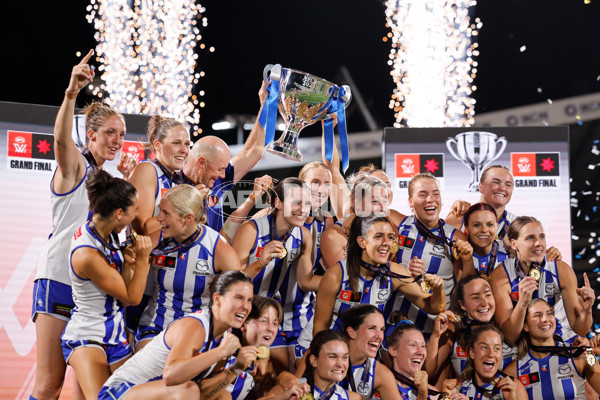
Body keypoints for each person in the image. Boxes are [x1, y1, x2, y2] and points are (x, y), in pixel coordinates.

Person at [31, 50, 135, 400]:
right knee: (48, 384)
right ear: (90, 135)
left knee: (87, 388)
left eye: (121, 134)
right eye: (109, 133)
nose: (116, 141)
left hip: (93, 292)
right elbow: (60, 141)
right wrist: (71, 93)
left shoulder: (116, 179)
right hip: (60, 278)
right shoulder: (76, 167)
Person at [61, 169, 153, 400]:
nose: (138, 216)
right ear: (119, 213)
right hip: (88, 335)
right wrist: (143, 260)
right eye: (135, 211)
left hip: (114, 334)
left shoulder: (107, 230)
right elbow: (130, 298)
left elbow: (119, 285)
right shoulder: (87, 255)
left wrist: (129, 264)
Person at [99, 271, 254, 400]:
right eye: (238, 298)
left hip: (153, 393)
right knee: (188, 390)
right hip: (119, 392)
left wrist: (234, 370)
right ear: (217, 299)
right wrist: (220, 352)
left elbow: (205, 393)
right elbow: (171, 376)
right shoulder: (195, 326)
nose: (245, 306)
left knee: (222, 396)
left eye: (249, 300)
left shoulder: (224, 335)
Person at [134, 184, 241, 351]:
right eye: (159, 210)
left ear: (188, 218)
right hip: (156, 328)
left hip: (198, 333)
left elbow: (239, 297)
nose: (159, 218)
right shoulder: (155, 241)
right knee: (154, 366)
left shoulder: (218, 249)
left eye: (166, 213)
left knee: (182, 371)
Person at [232, 178, 319, 370]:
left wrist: (343, 278)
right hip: (241, 316)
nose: (303, 210)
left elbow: (306, 281)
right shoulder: (251, 230)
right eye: (296, 202)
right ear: (277, 203)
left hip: (269, 318)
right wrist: (260, 262)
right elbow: (232, 285)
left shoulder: (303, 236)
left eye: (307, 203)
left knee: (280, 373)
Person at [124, 114, 195, 335]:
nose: (184, 150)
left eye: (187, 144)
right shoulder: (148, 170)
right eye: (176, 143)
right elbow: (142, 230)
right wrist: (181, 206)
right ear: (157, 145)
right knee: (131, 352)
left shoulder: (177, 179)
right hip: (141, 278)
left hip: (164, 280)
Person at [388, 173, 473, 336]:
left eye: (436, 193)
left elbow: (464, 284)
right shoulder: (397, 222)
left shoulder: (454, 237)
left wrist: (468, 260)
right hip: (394, 325)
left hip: (434, 329)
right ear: (410, 201)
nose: (430, 199)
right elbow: (360, 212)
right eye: (423, 194)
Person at [490, 216, 594, 345]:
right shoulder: (501, 275)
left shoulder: (561, 269)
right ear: (514, 244)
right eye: (530, 238)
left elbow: (580, 329)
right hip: (521, 346)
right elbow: (510, 337)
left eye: (541, 237)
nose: (538, 243)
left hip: (559, 340)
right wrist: (522, 303)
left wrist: (587, 310)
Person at [181, 82, 268, 233]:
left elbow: (254, 152)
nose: (224, 174)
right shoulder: (172, 183)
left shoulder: (218, 178)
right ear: (201, 162)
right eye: (220, 169)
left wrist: (265, 105)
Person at [425, 275, 517, 385]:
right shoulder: (453, 330)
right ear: (462, 305)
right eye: (475, 298)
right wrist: (436, 335)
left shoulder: (506, 324)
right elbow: (428, 373)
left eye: (488, 295)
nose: (484, 303)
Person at [503, 298, 600, 399]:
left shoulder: (577, 353)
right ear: (525, 326)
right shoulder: (513, 371)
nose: (545, 319)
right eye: (537, 315)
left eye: (549, 313)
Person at [197, 296, 282, 400]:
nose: (271, 329)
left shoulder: (263, 364)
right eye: (263, 321)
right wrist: (235, 369)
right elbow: (198, 395)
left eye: (275, 323)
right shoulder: (224, 351)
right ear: (243, 325)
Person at [320, 174, 405, 269]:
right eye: (375, 202)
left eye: (385, 202)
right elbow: (343, 279)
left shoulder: (388, 228)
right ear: (356, 204)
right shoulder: (334, 236)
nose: (382, 208)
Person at [338, 305, 403, 400]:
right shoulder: (324, 352)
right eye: (372, 328)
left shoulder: (381, 374)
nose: (379, 336)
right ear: (352, 332)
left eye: (382, 330)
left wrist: (422, 394)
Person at [444, 325, 526, 399]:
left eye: (497, 348)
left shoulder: (513, 387)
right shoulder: (459, 388)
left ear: (501, 355)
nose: (491, 354)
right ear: (472, 353)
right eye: (484, 347)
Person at [387, 319, 448, 400]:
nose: (420, 352)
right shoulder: (380, 385)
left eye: (423, 346)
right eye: (412, 345)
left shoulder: (434, 394)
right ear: (393, 351)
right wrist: (422, 395)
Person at [461, 203, 508, 276]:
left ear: (496, 227)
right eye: (477, 225)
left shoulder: (509, 251)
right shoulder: (458, 254)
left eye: (489, 225)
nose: (484, 230)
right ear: (466, 229)